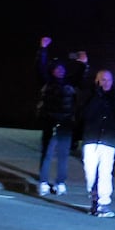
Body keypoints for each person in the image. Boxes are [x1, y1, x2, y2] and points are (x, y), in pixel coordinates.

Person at [77, 69, 115, 217]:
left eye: (108, 79)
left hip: (108, 141)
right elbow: (85, 114)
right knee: (90, 172)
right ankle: (94, 197)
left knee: (105, 172)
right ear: (97, 80)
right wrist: (97, 95)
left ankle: (104, 203)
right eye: (102, 79)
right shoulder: (90, 95)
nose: (105, 82)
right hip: (91, 139)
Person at [36, 38, 76, 194]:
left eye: (62, 69)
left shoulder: (69, 84)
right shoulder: (47, 82)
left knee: (63, 156)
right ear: (52, 71)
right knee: (47, 153)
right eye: (57, 69)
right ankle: (43, 182)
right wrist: (43, 49)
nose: (61, 71)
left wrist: (82, 63)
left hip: (65, 124)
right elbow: (40, 67)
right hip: (50, 122)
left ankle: (60, 183)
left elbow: (79, 75)